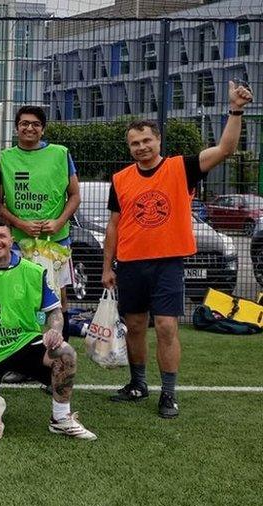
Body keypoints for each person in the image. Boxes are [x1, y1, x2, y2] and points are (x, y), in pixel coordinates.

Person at [103, 81, 253, 419]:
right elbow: (114, 224)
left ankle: (168, 394)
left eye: (146, 141)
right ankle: (138, 384)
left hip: (168, 263)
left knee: (168, 327)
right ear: (129, 148)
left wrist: (236, 109)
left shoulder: (181, 167)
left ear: (158, 141)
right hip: (129, 264)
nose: (141, 147)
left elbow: (225, 148)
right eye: (134, 143)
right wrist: (107, 267)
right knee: (137, 326)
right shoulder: (121, 179)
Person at [0, 217, 96, 440]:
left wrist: (55, 329)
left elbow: (55, 312)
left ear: (11, 239)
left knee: (65, 353)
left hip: (24, 344)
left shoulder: (33, 272)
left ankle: (60, 419)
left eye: (2, 236)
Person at [0, 105, 81, 341]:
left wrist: (59, 221)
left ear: (43, 129)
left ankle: (59, 350)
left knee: (58, 298)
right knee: (21, 297)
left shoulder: (60, 153)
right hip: (18, 242)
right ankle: (26, 351)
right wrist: (20, 223)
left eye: (35, 124)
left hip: (55, 241)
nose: (29, 128)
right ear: (16, 128)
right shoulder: (4, 158)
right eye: (24, 123)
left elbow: (74, 195)